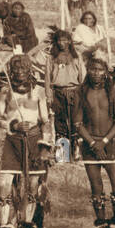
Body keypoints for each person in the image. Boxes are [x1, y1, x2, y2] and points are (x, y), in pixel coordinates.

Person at [0, 53, 53, 228]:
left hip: (34, 141)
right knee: (4, 184)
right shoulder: (5, 91)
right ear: (11, 71)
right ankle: (4, 226)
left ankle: (26, 223)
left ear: (29, 70)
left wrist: (45, 147)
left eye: (23, 69)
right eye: (15, 70)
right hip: (13, 142)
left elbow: (45, 121)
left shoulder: (39, 92)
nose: (19, 73)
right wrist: (14, 125)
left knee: (33, 185)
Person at [75, 53, 115, 228]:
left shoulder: (112, 92)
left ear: (106, 72)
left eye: (100, 70)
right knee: (96, 187)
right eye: (92, 69)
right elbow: (77, 123)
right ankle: (101, 224)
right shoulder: (80, 92)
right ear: (88, 71)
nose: (96, 73)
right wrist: (92, 143)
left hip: (109, 144)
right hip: (89, 146)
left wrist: (104, 141)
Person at [44, 27, 84, 157]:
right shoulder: (51, 58)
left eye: (65, 40)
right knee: (60, 124)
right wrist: (49, 96)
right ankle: (62, 155)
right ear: (56, 42)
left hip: (74, 92)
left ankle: (76, 154)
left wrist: (83, 95)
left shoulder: (76, 57)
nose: (62, 43)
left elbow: (82, 77)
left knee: (75, 122)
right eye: (60, 40)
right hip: (58, 93)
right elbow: (48, 79)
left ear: (69, 42)